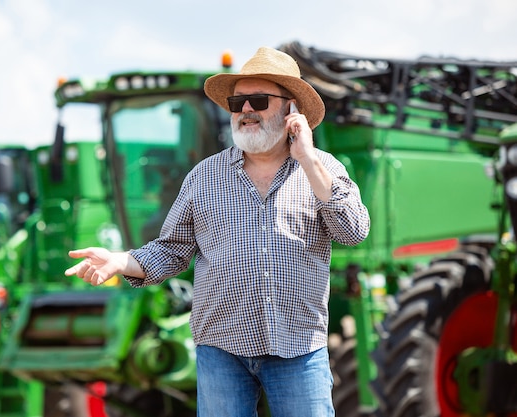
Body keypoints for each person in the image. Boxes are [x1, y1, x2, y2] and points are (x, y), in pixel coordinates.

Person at [65, 46, 370, 417]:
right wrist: (121, 260)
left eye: (258, 100)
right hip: (222, 350)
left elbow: (353, 230)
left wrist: (306, 157)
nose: (245, 110)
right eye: (237, 102)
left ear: (292, 110)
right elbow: (173, 249)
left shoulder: (323, 169)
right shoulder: (204, 176)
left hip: (298, 348)